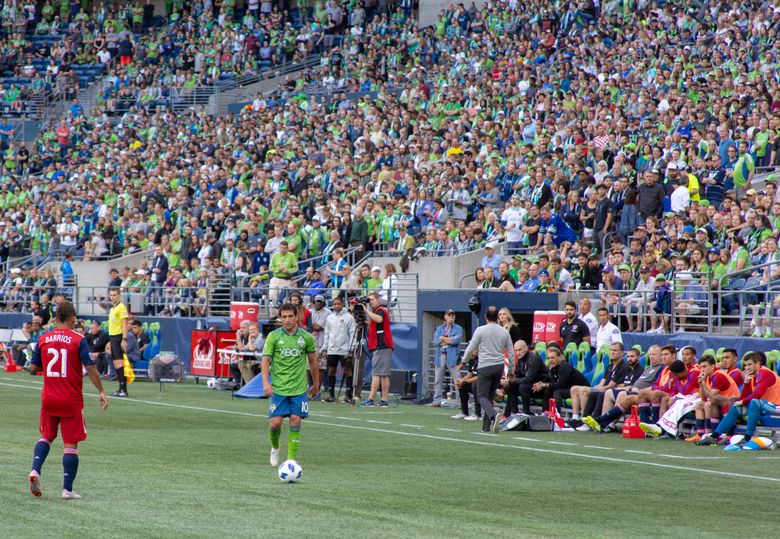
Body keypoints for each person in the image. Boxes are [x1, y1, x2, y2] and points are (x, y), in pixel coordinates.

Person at [27, 301, 108, 500]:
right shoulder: (78, 339)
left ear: (55, 318)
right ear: (71, 318)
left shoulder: (44, 339)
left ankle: (35, 470)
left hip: (49, 397)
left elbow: (33, 368)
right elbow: (89, 367)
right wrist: (101, 391)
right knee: (70, 445)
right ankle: (67, 490)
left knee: (46, 436)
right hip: (70, 399)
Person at [261, 302, 319, 467]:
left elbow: (313, 362)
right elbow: (265, 361)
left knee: (296, 420)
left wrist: (316, 384)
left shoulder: (306, 337)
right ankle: (275, 446)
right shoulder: (274, 336)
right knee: (275, 423)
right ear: (280, 318)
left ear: (297, 316)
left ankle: (291, 459)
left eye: (290, 316)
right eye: (284, 317)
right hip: (279, 387)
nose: (287, 320)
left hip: (299, 388)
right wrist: (266, 383)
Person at [697, 352, 780, 447]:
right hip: (763, 407)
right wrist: (747, 383)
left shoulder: (765, 372)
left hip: (776, 409)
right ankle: (714, 436)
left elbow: (757, 395)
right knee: (736, 406)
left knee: (754, 402)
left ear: (758, 364)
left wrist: (743, 401)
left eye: (750, 364)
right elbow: (744, 397)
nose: (747, 368)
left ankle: (747, 437)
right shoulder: (753, 376)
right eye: (745, 365)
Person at [582, 345, 665, 432]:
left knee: (622, 394)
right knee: (609, 393)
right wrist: (630, 387)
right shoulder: (649, 368)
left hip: (643, 394)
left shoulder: (661, 368)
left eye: (654, 354)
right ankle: (602, 422)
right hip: (633, 390)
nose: (651, 357)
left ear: (661, 356)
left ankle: (610, 424)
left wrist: (640, 390)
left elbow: (656, 385)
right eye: (650, 354)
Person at [460, 306, 514, 433]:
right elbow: (511, 353)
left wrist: (463, 360)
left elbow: (471, 347)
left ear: (485, 316)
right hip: (499, 366)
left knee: (482, 397)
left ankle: (494, 416)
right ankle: (485, 427)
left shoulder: (480, 330)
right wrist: (511, 369)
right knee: (489, 396)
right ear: (497, 317)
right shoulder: (504, 332)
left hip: (485, 365)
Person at [684, 355, 740, 443]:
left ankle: (710, 433)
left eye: (705, 366)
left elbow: (712, 397)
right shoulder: (707, 377)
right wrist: (701, 384)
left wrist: (703, 384)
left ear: (713, 366)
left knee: (709, 403)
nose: (702, 369)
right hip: (720, 403)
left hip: (732, 403)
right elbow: (703, 398)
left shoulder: (718, 375)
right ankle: (700, 434)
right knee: (699, 404)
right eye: (701, 367)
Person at [570, 342, 627, 419]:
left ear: (622, 353)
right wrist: (595, 387)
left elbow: (610, 386)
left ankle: (584, 418)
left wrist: (594, 389)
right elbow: (602, 382)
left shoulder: (622, 367)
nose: (612, 352)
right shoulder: (610, 366)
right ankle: (575, 417)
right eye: (611, 350)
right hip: (603, 388)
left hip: (609, 391)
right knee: (574, 389)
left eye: (615, 350)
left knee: (584, 390)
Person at [359, 292, 395, 407]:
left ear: (378, 299)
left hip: (382, 345)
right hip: (381, 346)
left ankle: (371, 399)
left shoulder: (380, 310)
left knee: (377, 373)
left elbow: (379, 320)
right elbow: (376, 324)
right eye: (369, 300)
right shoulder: (376, 311)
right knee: (383, 374)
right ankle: (384, 400)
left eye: (372, 299)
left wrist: (366, 311)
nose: (370, 302)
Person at [533, 344, 590, 413]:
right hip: (568, 389)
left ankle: (557, 415)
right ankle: (545, 413)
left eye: (553, 357)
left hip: (581, 390)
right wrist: (540, 384)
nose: (550, 360)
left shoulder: (564, 366)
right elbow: (550, 381)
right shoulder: (553, 367)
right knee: (547, 391)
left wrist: (544, 385)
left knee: (557, 392)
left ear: (559, 357)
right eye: (548, 358)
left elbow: (560, 385)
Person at [320, 296, 356, 403]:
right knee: (331, 371)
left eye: (338, 304)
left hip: (345, 350)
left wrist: (351, 349)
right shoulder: (329, 318)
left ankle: (348, 395)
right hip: (332, 349)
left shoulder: (349, 317)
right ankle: (331, 395)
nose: (336, 306)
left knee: (348, 371)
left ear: (342, 305)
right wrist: (325, 348)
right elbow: (326, 334)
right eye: (335, 304)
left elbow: (352, 334)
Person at [502, 340, 548, 416]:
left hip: (541, 387)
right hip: (530, 387)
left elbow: (529, 378)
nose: (517, 353)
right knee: (510, 386)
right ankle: (513, 413)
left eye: (520, 349)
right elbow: (518, 376)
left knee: (523, 386)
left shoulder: (534, 358)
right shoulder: (520, 360)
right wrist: (508, 380)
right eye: (516, 350)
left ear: (526, 348)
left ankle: (526, 412)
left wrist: (512, 381)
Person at [431, 309, 463, 407]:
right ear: (445, 317)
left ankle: (461, 402)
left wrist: (443, 338)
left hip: (453, 356)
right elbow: (436, 341)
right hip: (440, 355)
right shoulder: (440, 328)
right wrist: (449, 340)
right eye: (449, 315)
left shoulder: (458, 328)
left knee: (457, 379)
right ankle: (437, 401)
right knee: (438, 379)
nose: (451, 317)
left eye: (453, 316)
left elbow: (456, 341)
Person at [107, 288, 129, 397]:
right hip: (113, 337)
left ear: (119, 296)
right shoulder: (113, 308)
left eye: (114, 295)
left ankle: (123, 389)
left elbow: (124, 324)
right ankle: (121, 388)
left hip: (118, 337)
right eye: (111, 295)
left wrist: (124, 339)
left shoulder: (121, 307)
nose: (112, 297)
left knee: (119, 362)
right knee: (116, 363)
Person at [451, 354, 481, 421]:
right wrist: (461, 380)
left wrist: (465, 381)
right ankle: (464, 412)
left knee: (475, 385)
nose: (471, 352)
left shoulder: (482, 359)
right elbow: (469, 375)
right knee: (462, 386)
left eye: (473, 349)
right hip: (474, 382)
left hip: (483, 384)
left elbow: (479, 376)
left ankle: (477, 414)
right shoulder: (472, 359)